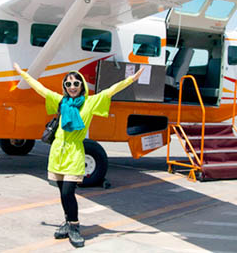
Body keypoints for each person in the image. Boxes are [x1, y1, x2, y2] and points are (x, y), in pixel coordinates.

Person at [13, 62, 144, 248]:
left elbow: (110, 91)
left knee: (68, 191)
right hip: (58, 151)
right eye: (68, 84)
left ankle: (74, 226)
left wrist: (131, 79)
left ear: (81, 85)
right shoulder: (60, 101)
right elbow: (39, 88)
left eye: (76, 83)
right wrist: (22, 73)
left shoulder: (90, 102)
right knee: (62, 193)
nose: (72, 87)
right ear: (64, 87)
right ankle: (67, 222)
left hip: (74, 152)